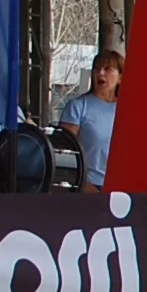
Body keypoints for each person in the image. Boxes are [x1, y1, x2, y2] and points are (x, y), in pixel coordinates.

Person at [58, 50, 122, 192]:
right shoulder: (78, 107)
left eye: (107, 69)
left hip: (120, 188)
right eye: (97, 68)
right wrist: (83, 184)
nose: (100, 73)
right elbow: (64, 153)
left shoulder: (127, 110)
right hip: (88, 186)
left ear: (120, 77)